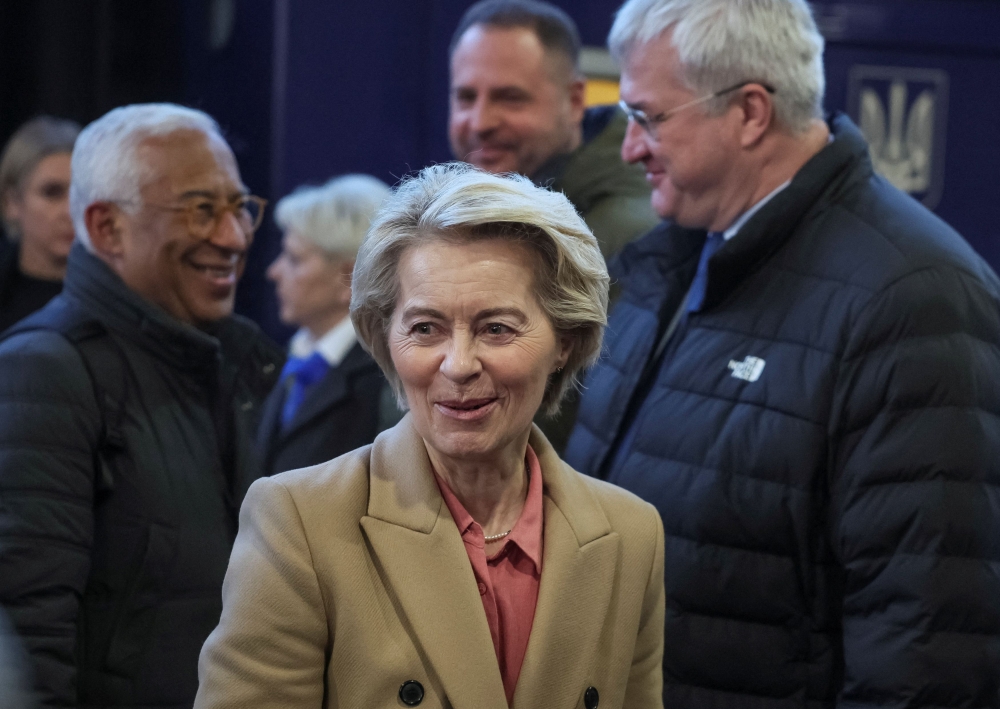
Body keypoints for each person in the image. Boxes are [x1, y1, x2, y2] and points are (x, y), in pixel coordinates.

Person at [565, 0, 1000, 707]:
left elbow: (926, 643)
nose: (629, 148)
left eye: (648, 117)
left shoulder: (915, 299)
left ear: (750, 112)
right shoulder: (663, 265)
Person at [195, 163, 666, 709]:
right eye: (425, 328)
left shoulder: (631, 534)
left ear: (566, 339)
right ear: (382, 336)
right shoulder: (300, 521)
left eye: (497, 328)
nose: (458, 364)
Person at [0, 103, 283, 708]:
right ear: (107, 228)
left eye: (239, 207)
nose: (233, 237)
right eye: (202, 209)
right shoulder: (43, 371)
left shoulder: (242, 366)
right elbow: (26, 645)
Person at [449, 0, 659, 264]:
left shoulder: (626, 241)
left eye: (510, 98)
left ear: (574, 101)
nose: (480, 123)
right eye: (466, 97)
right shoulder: (460, 218)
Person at [260, 174, 396, 475]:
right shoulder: (289, 360)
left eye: (294, 259)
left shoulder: (385, 380)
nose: (274, 271)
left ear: (348, 277)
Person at [0, 115, 80, 332]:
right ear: (12, 202)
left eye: (80, 193)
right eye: (52, 193)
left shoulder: (121, 299)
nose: (70, 210)